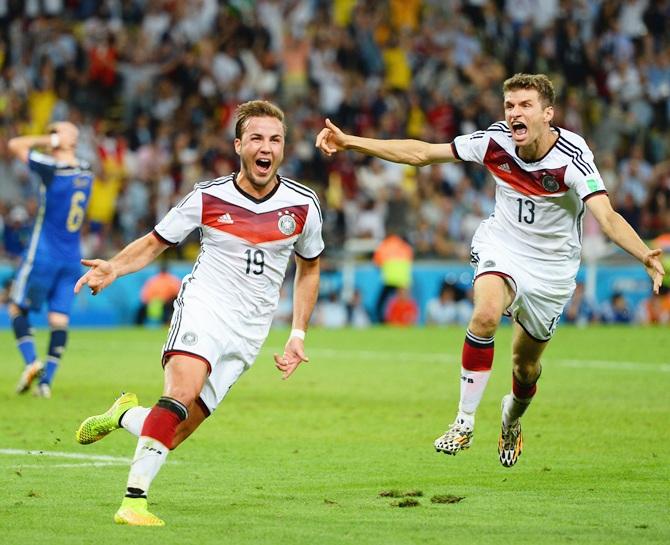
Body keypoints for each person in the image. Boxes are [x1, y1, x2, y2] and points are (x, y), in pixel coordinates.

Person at [316, 73, 665, 468]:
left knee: (525, 367)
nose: (515, 113)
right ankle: (463, 421)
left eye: (525, 106)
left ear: (548, 114)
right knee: (484, 315)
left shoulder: (572, 156)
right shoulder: (494, 141)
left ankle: (511, 417)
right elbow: (421, 153)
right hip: (504, 245)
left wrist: (644, 255)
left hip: (552, 269)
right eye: (510, 105)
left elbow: (607, 216)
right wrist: (350, 142)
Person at [74, 100, 324, 526]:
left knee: (176, 428)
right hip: (204, 308)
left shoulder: (304, 205)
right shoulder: (208, 197)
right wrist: (114, 266)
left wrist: (297, 333)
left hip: (250, 330)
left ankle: (122, 415)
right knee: (181, 393)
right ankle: (133, 502)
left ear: (283, 148)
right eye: (258, 138)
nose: (267, 147)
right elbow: (156, 241)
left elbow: (309, 267)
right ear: (239, 144)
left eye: (275, 139)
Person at [7, 121, 93, 398]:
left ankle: (32, 362)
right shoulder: (86, 169)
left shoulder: (51, 168)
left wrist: (51, 141)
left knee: (16, 308)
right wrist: (63, 141)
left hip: (43, 253)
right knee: (58, 319)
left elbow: (14, 145)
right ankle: (46, 384)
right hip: (72, 257)